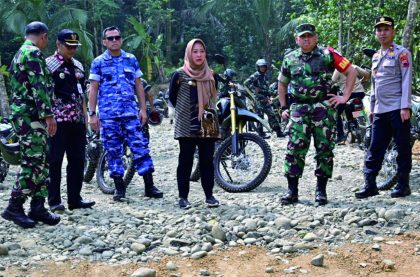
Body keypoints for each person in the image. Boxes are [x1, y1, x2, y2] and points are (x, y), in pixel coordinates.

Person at [277, 23, 356, 205]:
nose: (306, 39)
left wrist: (344, 96)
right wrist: (283, 107)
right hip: (299, 108)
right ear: (297, 39)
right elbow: (282, 83)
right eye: (302, 36)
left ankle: (321, 191)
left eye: (310, 36)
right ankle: (292, 191)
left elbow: (350, 71)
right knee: (294, 149)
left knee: (325, 149)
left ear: (316, 37)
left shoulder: (328, 54)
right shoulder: (289, 58)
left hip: (323, 108)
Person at [88, 26, 163, 201]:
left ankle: (149, 186)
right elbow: (93, 89)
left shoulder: (131, 59)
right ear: (104, 41)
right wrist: (92, 114)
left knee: (140, 148)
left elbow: (138, 86)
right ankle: (119, 189)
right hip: (109, 116)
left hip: (130, 114)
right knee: (113, 151)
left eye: (117, 37)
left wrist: (143, 109)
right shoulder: (98, 62)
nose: (114, 40)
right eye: (110, 38)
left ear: (121, 39)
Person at [1, 22, 60, 228]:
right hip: (32, 117)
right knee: (33, 161)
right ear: (43, 36)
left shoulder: (18, 54)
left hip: (25, 116)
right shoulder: (33, 53)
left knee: (42, 160)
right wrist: (49, 115)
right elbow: (39, 87)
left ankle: (38, 207)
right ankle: (14, 207)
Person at [355, 16, 412, 199]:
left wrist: (405, 107)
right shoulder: (376, 56)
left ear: (393, 31)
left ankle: (403, 184)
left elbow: (406, 80)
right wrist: (371, 108)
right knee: (375, 147)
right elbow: (374, 84)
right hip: (379, 110)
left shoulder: (402, 53)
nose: (382, 33)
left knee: (402, 147)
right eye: (379, 30)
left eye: (386, 29)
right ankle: (370, 184)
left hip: (397, 109)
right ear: (375, 33)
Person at [46, 29, 96, 212]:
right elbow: (43, 95)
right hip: (57, 122)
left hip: (77, 121)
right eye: (69, 46)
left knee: (77, 160)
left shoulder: (78, 66)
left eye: (75, 46)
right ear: (58, 45)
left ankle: (75, 199)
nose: (72, 49)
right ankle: (54, 201)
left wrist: (86, 118)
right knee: (55, 161)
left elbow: (82, 93)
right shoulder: (48, 66)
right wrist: (47, 118)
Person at [168, 38, 220, 209]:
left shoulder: (211, 74)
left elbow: (214, 96)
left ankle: (209, 196)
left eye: (202, 51)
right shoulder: (179, 74)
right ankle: (183, 197)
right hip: (186, 123)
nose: (199, 55)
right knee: (185, 160)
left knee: (207, 160)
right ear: (189, 53)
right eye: (195, 51)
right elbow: (173, 97)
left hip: (207, 123)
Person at [244, 59, 284, 138]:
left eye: (264, 67)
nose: (263, 68)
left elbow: (266, 89)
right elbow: (246, 83)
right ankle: (261, 134)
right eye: (261, 67)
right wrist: (253, 91)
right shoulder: (255, 75)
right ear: (258, 67)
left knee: (271, 115)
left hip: (265, 98)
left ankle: (278, 132)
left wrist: (272, 93)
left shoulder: (264, 76)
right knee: (261, 116)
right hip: (259, 99)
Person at [332, 65, 370, 143]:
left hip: (348, 95)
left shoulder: (338, 69)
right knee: (353, 109)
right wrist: (362, 81)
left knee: (336, 113)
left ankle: (340, 136)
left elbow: (332, 81)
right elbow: (366, 74)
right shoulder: (353, 66)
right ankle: (355, 121)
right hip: (360, 93)